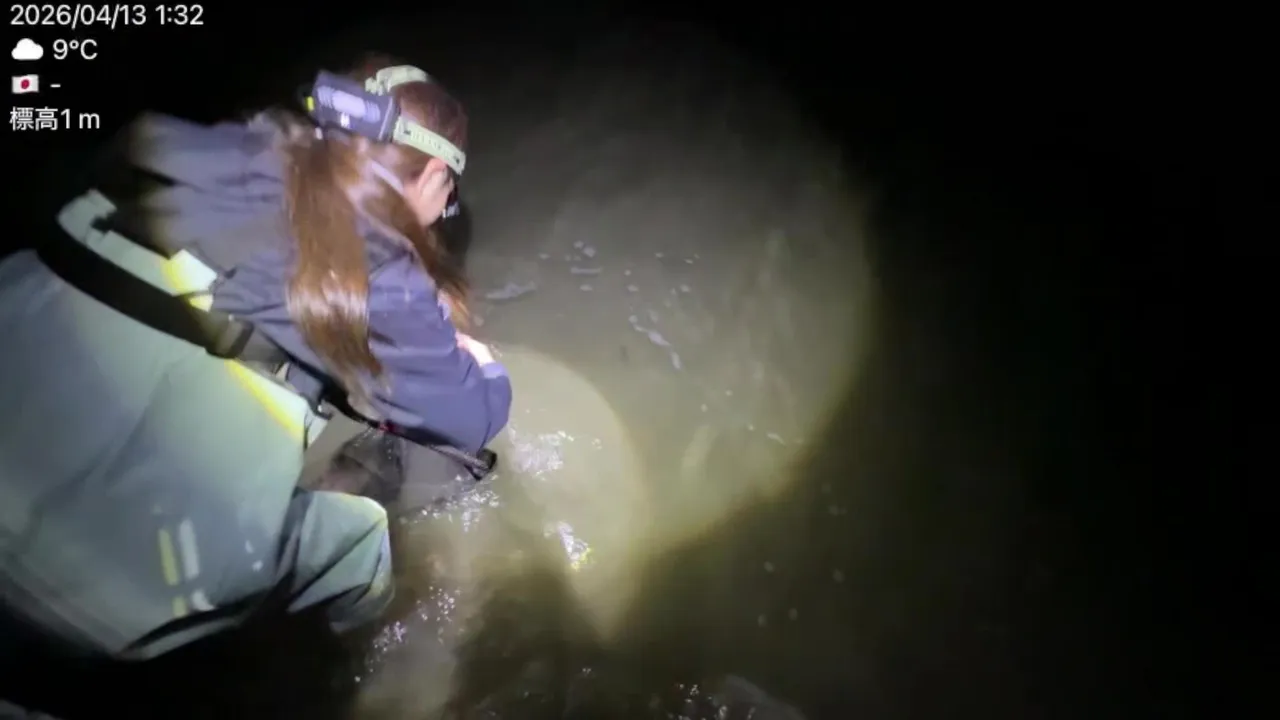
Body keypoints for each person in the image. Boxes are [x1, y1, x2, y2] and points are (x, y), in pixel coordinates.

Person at [0, 54, 512, 667]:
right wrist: (484, 367)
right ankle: (352, 670)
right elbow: (469, 417)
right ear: (433, 174)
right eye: (449, 187)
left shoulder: (188, 150)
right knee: (371, 537)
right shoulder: (381, 271)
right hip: (96, 599)